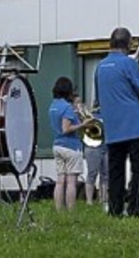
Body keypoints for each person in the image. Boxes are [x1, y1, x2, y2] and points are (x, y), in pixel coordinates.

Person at [95, 27, 139, 218]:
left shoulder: (99, 67)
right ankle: (136, 209)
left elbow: (99, 100)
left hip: (113, 128)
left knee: (115, 171)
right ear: (128, 45)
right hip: (135, 127)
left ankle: (115, 209)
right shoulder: (129, 64)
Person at [48, 77, 84, 211]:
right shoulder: (67, 107)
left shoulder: (53, 106)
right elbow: (66, 129)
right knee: (71, 181)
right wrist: (83, 124)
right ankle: (70, 210)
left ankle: (59, 210)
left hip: (57, 145)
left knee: (60, 180)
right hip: (70, 146)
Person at [81, 98, 106, 208]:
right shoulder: (91, 116)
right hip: (92, 147)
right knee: (92, 174)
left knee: (106, 175)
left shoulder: (109, 115)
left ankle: (104, 199)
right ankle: (89, 201)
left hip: (106, 146)